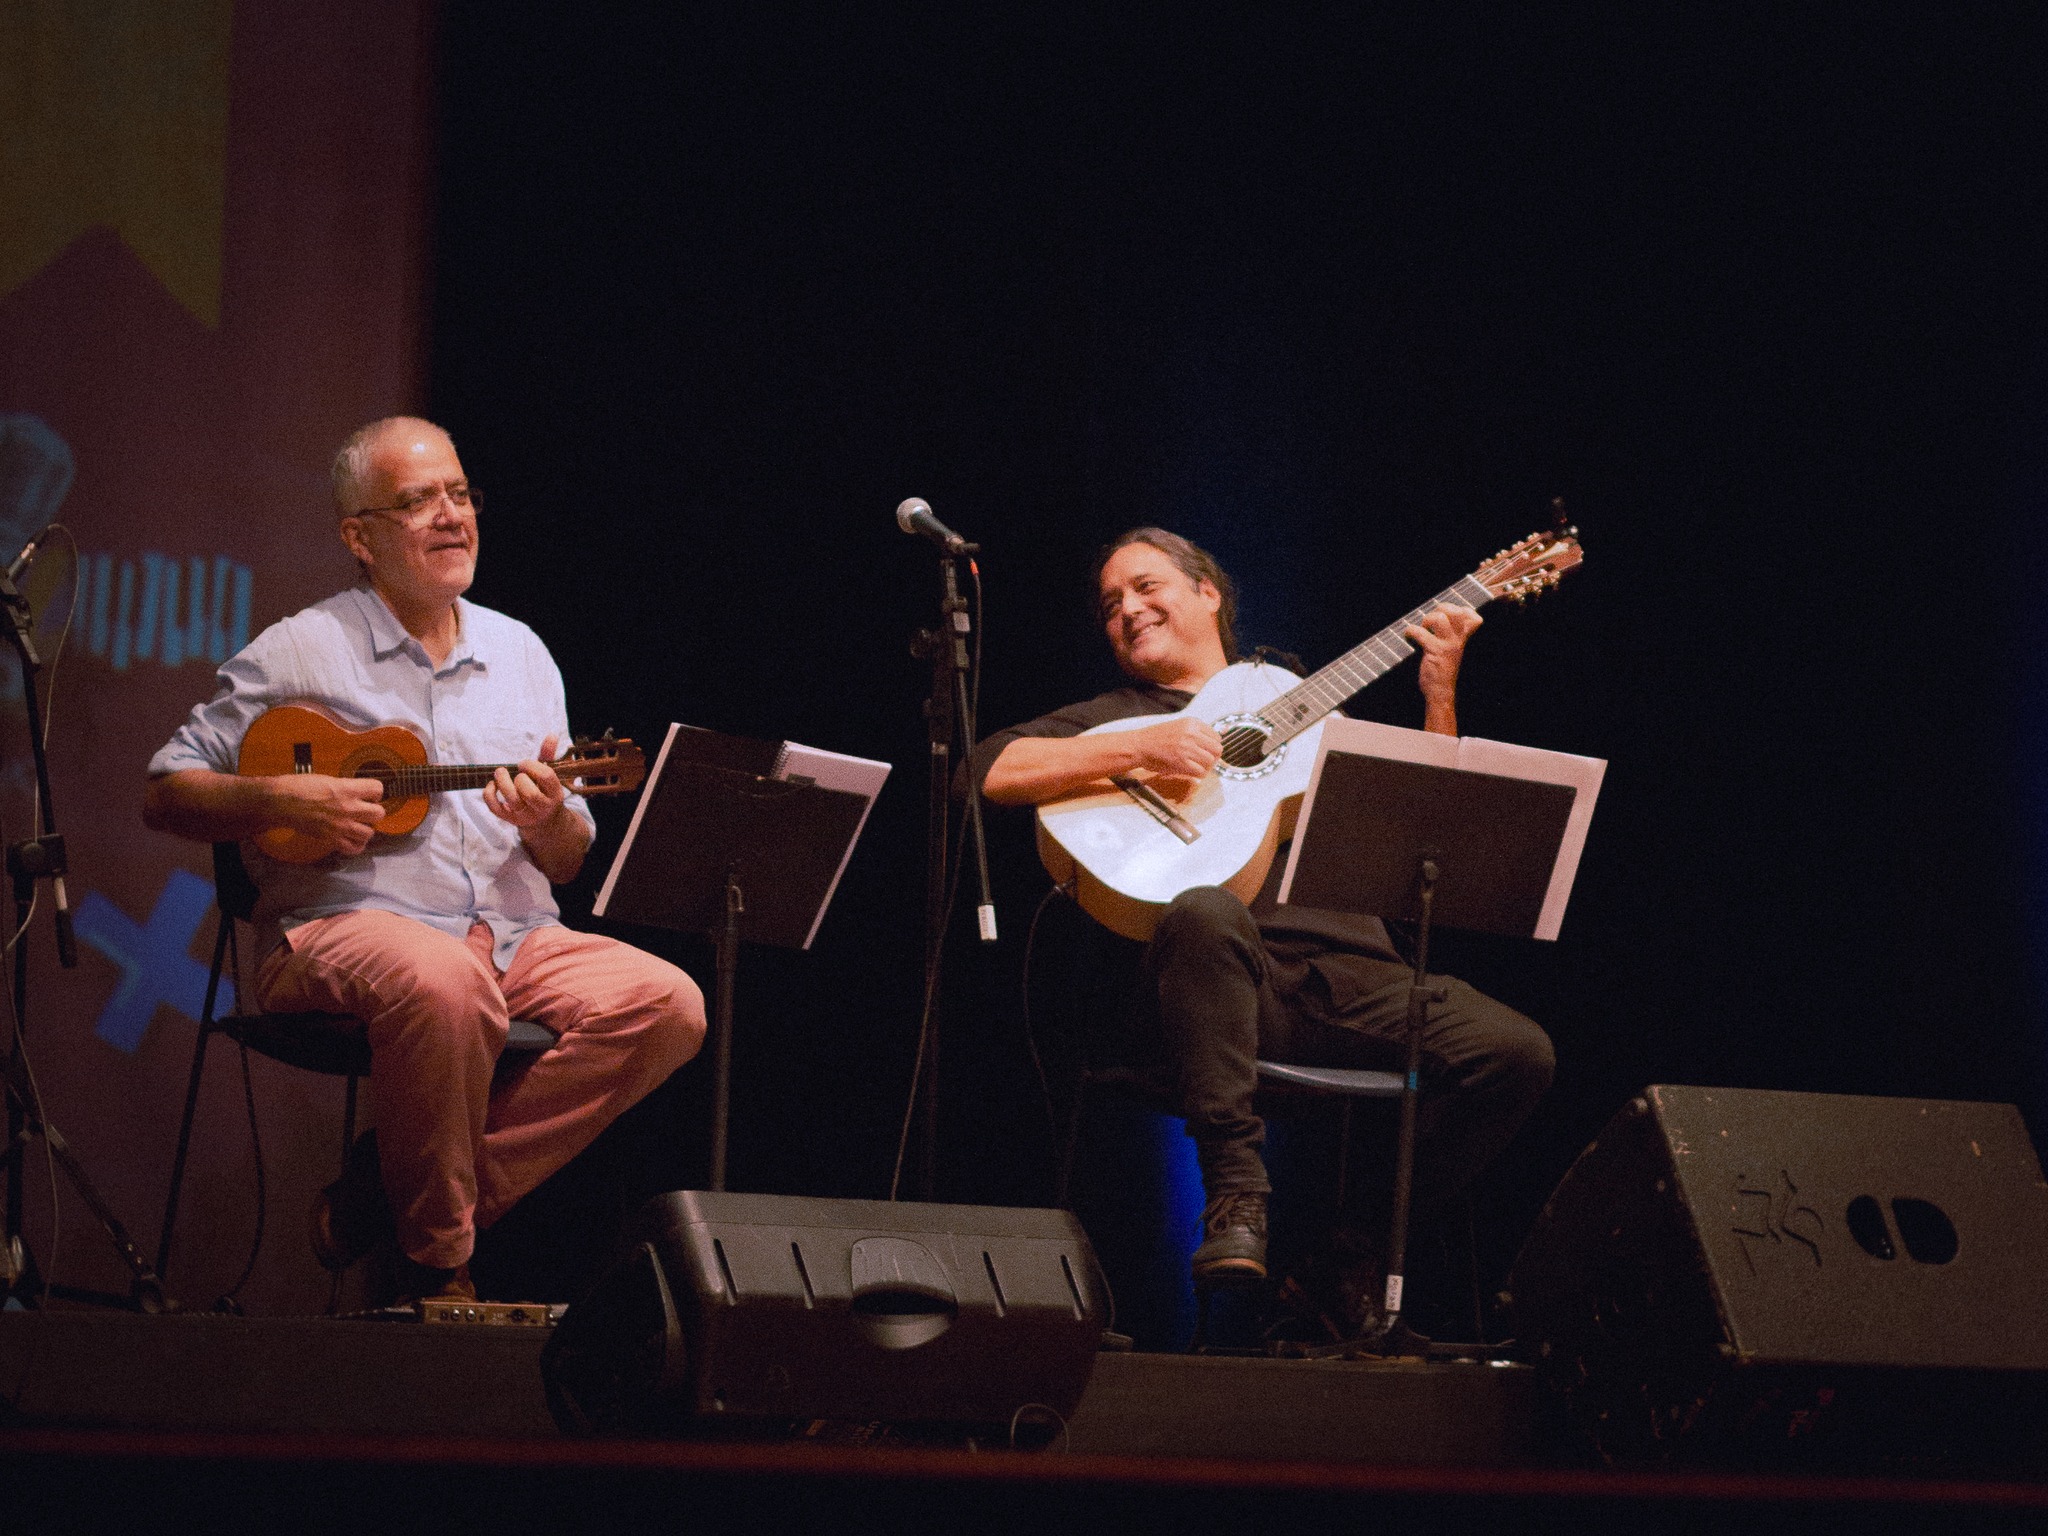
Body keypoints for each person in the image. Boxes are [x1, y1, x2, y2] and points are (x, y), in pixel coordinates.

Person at [144, 417, 706, 1305]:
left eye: (460, 493)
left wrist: (547, 819)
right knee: (446, 981)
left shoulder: (521, 653)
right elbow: (167, 790)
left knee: (669, 1005)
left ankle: (389, 1191)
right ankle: (439, 1265)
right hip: (340, 929)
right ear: (358, 538)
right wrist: (281, 799)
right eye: (418, 501)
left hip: (515, 938)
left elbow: (567, 861)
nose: (452, 515)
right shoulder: (298, 650)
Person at [974, 527, 1553, 1337]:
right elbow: (987, 767)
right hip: (1220, 991)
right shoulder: (1114, 718)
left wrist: (1438, 693)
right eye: (1110, 605)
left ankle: (1343, 1255)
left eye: (1146, 587)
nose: (1127, 610)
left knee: (1518, 1053)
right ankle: (1237, 1197)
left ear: (1208, 592)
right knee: (1206, 906)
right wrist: (1146, 744)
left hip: (1354, 983)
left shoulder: (1298, 702)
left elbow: (1422, 828)